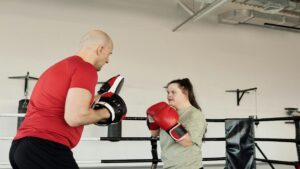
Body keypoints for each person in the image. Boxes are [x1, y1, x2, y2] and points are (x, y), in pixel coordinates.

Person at [9, 30, 127, 169]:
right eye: (109, 54)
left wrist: (98, 100)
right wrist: (107, 112)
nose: (108, 60)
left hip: (21, 148)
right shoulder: (85, 69)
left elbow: (64, 107)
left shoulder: (58, 68)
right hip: (45, 147)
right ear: (100, 49)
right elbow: (75, 117)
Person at [146, 78, 207, 169]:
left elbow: (187, 142)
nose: (169, 95)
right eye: (168, 92)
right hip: (169, 165)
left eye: (173, 92)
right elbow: (155, 134)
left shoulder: (195, 114)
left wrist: (170, 124)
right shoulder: (167, 112)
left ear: (185, 93)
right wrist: (152, 118)